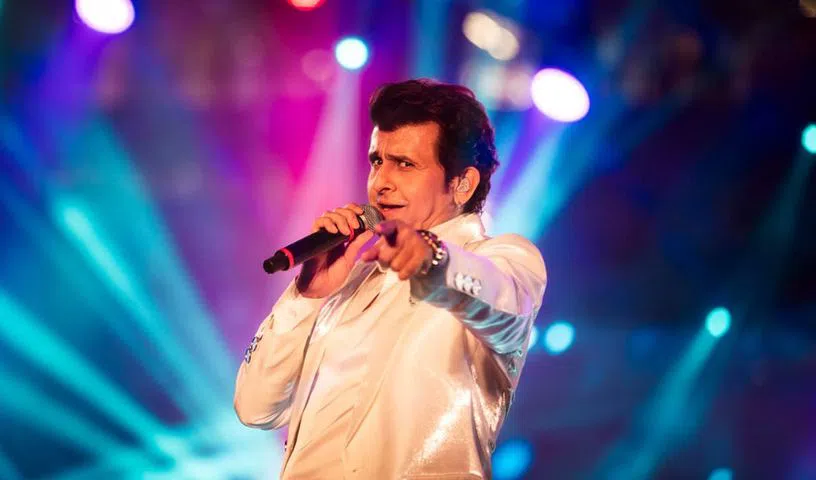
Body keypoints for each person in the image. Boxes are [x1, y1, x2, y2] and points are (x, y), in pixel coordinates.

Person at [234, 79, 547, 479]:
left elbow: (500, 298)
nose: (380, 182)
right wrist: (307, 297)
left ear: (462, 184)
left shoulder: (503, 260)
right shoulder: (350, 280)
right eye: (377, 161)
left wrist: (432, 262)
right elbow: (255, 408)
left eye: (405, 164)